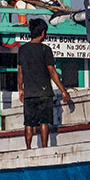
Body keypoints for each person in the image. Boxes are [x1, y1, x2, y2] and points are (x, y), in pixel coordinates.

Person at [16, 18, 74, 149]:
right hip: (44, 92)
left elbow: (20, 72)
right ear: (43, 32)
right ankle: (44, 147)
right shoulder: (45, 49)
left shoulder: (22, 49)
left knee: (28, 123)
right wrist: (63, 90)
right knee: (44, 122)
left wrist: (20, 88)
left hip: (29, 93)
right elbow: (52, 71)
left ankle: (28, 148)